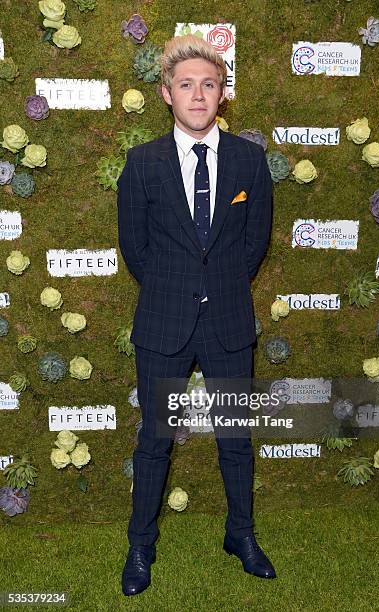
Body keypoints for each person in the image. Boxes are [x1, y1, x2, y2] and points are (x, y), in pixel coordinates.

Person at [117, 33, 274, 597]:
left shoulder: (250, 161)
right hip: (163, 321)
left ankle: (242, 535)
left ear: (224, 95)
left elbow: (255, 242)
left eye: (210, 84)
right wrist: (176, 288)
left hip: (229, 320)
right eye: (187, 85)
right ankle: (141, 544)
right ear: (167, 94)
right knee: (155, 438)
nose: (199, 94)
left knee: (236, 439)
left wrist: (219, 287)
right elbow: (134, 247)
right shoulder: (142, 163)